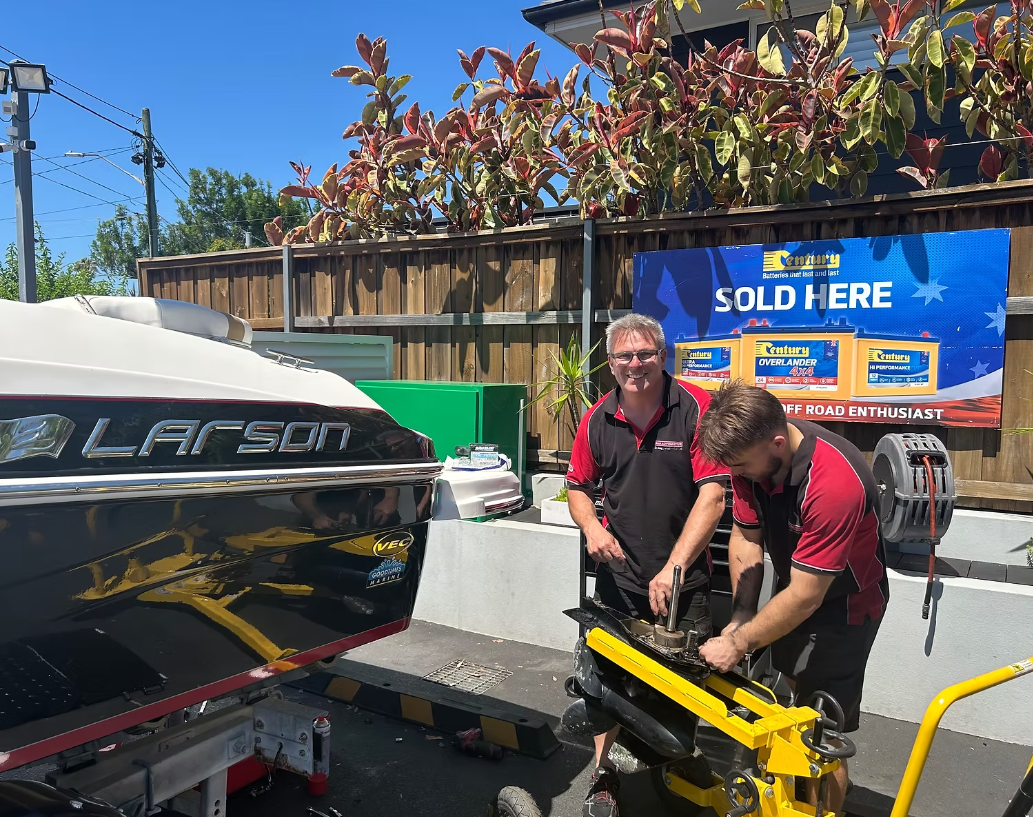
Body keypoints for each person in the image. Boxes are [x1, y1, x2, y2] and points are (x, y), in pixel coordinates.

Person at [695, 380, 889, 815]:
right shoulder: (752, 454)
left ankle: (827, 809)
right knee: (794, 702)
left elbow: (806, 595)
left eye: (742, 467)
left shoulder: (834, 482)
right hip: (797, 588)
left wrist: (739, 643)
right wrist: (741, 616)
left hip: (846, 605)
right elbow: (746, 538)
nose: (739, 474)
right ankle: (794, 799)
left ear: (778, 444)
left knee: (821, 727)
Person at [565, 313, 729, 817]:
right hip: (618, 579)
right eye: (624, 356)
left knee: (681, 687)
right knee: (605, 683)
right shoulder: (597, 418)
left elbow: (714, 496)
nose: (635, 365)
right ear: (610, 363)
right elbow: (577, 488)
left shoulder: (695, 409)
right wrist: (592, 529)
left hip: (684, 582)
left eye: (645, 354)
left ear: (662, 355)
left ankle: (672, 767)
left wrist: (674, 567)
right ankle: (604, 775)